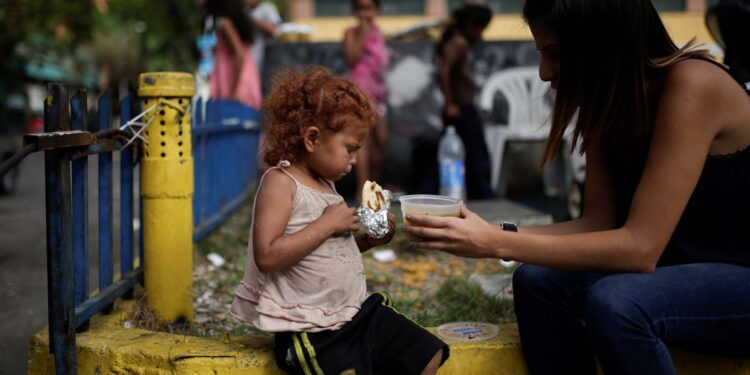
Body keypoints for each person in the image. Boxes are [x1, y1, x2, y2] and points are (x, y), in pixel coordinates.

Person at [404, 0, 750, 374]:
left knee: (616, 300)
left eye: (554, 53)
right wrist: (491, 232)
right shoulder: (607, 103)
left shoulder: (693, 84)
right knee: (536, 279)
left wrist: (495, 244)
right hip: (677, 278)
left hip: (738, 283)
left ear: (601, 45)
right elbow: (597, 224)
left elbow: (640, 249)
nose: (543, 73)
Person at [230, 67, 448, 375]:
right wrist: (325, 225)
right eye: (350, 149)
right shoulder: (281, 182)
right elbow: (266, 256)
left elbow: (326, 253)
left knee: (427, 353)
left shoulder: (326, 185)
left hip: (356, 313)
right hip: (311, 329)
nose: (355, 160)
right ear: (312, 138)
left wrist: (369, 240)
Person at [435, 3, 494, 200]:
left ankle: (479, 193)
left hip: (462, 107)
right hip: (460, 109)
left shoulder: (458, 42)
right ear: (470, 25)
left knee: (468, 153)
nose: (481, 34)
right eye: (479, 28)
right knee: (475, 155)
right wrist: (450, 103)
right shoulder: (458, 43)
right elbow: (444, 71)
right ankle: (483, 194)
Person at [343, 0, 390, 201]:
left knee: (382, 139)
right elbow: (351, 57)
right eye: (360, 9)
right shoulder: (351, 33)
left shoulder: (379, 33)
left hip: (378, 95)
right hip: (360, 92)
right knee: (363, 141)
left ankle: (374, 185)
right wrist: (362, 34)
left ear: (376, 11)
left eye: (368, 8)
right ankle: (363, 191)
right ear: (354, 12)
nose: (364, 13)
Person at [202, 0, 262, 108]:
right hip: (245, 82)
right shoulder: (225, 23)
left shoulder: (225, 24)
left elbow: (240, 55)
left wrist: (233, 92)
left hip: (238, 88)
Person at [244, 0, 282, 74]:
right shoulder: (245, 9)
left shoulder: (267, 8)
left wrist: (253, 21)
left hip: (265, 55)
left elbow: (275, 30)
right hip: (250, 55)